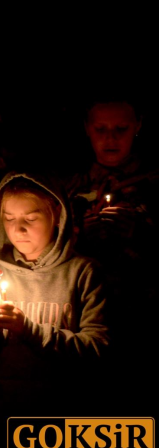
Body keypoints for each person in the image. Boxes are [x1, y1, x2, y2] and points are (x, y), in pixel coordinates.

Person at [0, 172, 110, 448]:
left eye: (30, 218)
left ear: (56, 214)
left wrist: (30, 330)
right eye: (8, 218)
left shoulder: (84, 274)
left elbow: (98, 350)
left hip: (66, 425)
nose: (18, 229)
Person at [64, 91, 158, 415]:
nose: (110, 138)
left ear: (138, 126)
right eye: (100, 129)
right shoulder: (69, 188)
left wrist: (140, 232)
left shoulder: (158, 185)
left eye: (120, 129)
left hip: (144, 327)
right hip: (82, 324)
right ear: (87, 129)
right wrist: (79, 238)